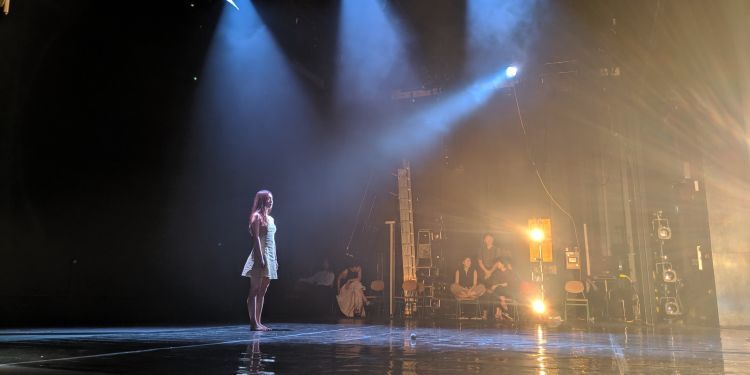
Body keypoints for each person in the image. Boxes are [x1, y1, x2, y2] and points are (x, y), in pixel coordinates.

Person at [241, 190, 278, 331]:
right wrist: (260, 257)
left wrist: (274, 258)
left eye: (271, 198)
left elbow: (272, 240)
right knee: (255, 289)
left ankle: (258, 321)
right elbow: (256, 238)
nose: (270, 201)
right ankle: (253, 322)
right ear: (262, 200)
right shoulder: (256, 217)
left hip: (270, 255)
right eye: (268, 198)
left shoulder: (271, 219)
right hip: (259, 254)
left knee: (263, 290)